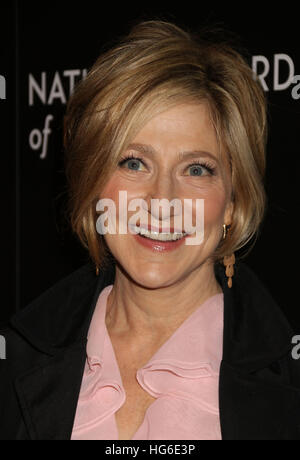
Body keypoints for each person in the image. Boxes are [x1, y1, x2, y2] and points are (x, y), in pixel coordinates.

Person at [1, 20, 300, 441]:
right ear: (92, 183)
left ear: (233, 203)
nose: (162, 202)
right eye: (134, 163)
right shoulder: (17, 358)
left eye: (197, 169)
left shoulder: (288, 380)